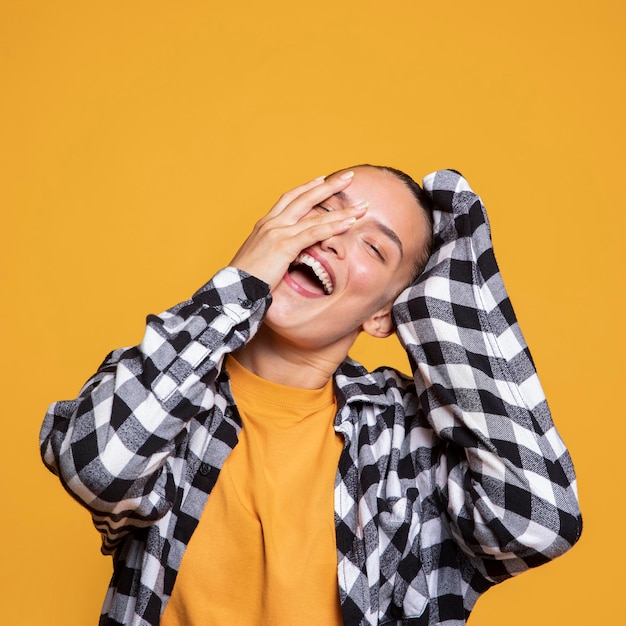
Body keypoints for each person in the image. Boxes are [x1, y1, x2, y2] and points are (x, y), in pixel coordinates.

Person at [40, 165, 582, 626]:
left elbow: (537, 524)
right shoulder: (169, 388)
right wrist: (239, 282)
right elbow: (98, 465)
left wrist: (442, 307)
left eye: (373, 245)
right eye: (325, 210)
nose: (332, 237)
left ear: (383, 315)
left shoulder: (404, 442)